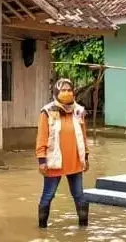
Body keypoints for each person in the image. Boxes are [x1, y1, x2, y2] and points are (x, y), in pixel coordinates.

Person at [35, 78, 90, 228]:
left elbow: (83, 135)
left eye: (69, 90)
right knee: (48, 195)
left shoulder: (78, 111)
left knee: (79, 196)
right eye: (63, 90)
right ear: (56, 92)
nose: (66, 93)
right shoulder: (47, 111)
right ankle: (42, 229)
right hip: (54, 161)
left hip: (75, 160)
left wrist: (86, 156)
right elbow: (42, 136)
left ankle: (83, 230)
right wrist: (41, 160)